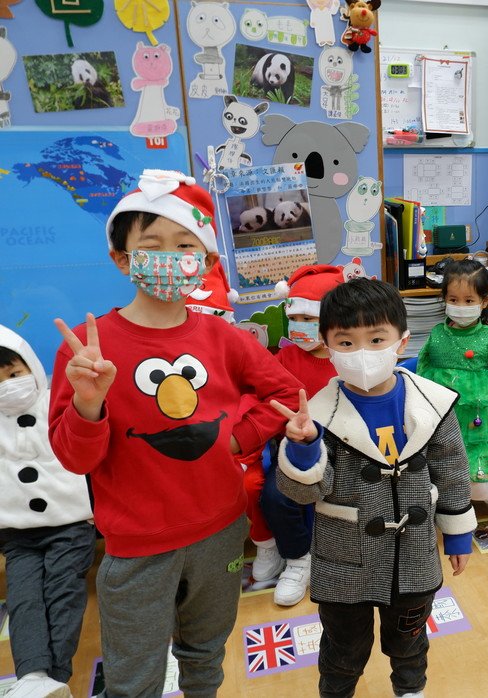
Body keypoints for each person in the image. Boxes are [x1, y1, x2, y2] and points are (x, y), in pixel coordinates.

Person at [48, 169, 298, 696]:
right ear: (123, 259)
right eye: (152, 244)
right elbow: (75, 460)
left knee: (206, 655)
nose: (170, 256)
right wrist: (88, 406)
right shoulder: (89, 352)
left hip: (220, 529)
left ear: (205, 262)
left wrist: (238, 438)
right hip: (137, 544)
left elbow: (285, 392)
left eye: (185, 245)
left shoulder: (224, 337)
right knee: (133, 675)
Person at [270, 278, 476, 698]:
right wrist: (305, 449)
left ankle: (410, 689)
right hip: (344, 560)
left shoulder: (433, 404)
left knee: (410, 639)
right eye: (346, 342)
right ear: (327, 346)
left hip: (414, 554)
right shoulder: (318, 416)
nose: (362, 353)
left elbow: (452, 469)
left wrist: (458, 533)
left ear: (402, 341)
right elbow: (303, 493)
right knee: (343, 648)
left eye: (376, 339)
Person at [0, 325, 96, 698]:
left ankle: (50, 677)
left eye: (14, 374)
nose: (8, 386)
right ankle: (33, 676)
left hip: (70, 525)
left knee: (63, 593)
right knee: (23, 599)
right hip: (18, 533)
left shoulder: (59, 402)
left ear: (32, 367)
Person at [185, 262, 283, 587]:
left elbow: (271, 396)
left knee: (249, 485)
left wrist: (237, 446)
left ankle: (265, 544)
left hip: (241, 447)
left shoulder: (239, 347)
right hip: (190, 452)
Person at [259, 264, 343, 606]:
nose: (299, 327)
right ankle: (297, 558)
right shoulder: (284, 357)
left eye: (309, 319)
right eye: (294, 319)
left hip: (345, 450)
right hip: (296, 451)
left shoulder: (347, 358)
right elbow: (266, 401)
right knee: (275, 496)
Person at [417, 259, 488, 522]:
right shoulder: (436, 335)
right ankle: (448, 506)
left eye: (469, 300)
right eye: (453, 299)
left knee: (477, 484)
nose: (461, 307)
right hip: (441, 425)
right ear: (444, 299)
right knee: (438, 476)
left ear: (484, 302)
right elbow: (420, 379)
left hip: (479, 429)